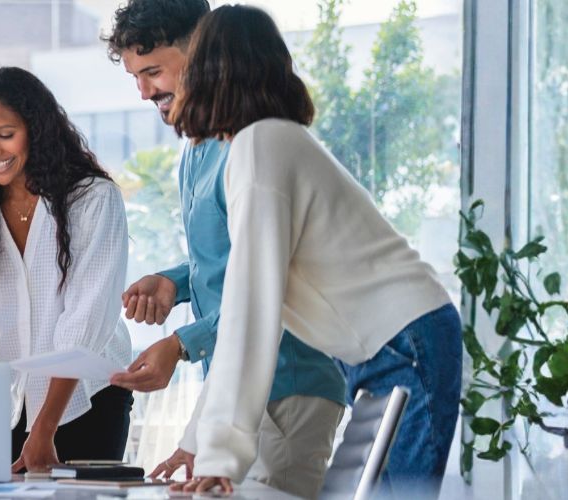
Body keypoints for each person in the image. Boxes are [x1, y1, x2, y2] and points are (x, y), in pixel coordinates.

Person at [149, 5, 461, 496]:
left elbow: (252, 311)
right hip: (397, 343)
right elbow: (244, 315)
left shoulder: (261, 148)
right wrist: (202, 442)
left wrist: (219, 455)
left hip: (405, 342)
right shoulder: (269, 142)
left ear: (209, 72)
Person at [105, 1, 349, 496]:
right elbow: (229, 264)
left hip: (286, 387)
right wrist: (176, 282)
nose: (145, 91)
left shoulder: (253, 145)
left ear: (204, 49)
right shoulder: (196, 148)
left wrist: (180, 345)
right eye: (135, 76)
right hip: (239, 391)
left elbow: (265, 287)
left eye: (152, 71)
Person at [0, 67, 136, 473]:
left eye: (5, 134)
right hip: (13, 404)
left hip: (89, 399)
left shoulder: (92, 199)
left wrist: (43, 430)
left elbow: (83, 324)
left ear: (36, 130)